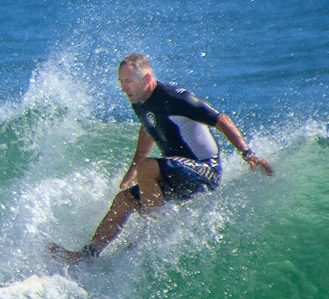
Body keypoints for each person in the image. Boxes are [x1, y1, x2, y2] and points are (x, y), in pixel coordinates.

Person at [49, 53, 274, 263]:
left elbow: (221, 119)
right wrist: (130, 172)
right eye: (121, 81)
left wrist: (248, 155)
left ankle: (150, 235)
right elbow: (148, 129)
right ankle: (86, 256)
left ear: (147, 78)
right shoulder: (138, 100)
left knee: (148, 167)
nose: (123, 87)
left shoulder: (175, 99)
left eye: (128, 81)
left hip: (204, 171)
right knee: (123, 200)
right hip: (176, 173)